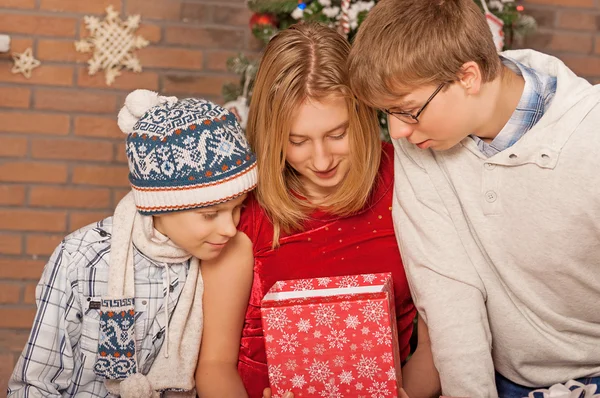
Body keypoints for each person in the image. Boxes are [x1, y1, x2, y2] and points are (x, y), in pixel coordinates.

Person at [347, 0, 600, 396]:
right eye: (387, 114)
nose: (396, 132)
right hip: (504, 383)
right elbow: (449, 294)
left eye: (408, 110)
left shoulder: (591, 140)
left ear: (468, 77)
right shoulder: (422, 143)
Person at [194, 22, 441, 398]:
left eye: (337, 134)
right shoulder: (244, 209)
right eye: (297, 141)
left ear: (361, 115)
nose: (322, 159)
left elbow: (436, 344)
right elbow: (214, 365)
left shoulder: (406, 178)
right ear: (274, 136)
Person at [8, 90, 258, 397]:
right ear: (160, 204)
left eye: (238, 209)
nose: (230, 228)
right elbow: (35, 385)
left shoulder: (214, 262)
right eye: (210, 214)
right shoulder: (82, 259)